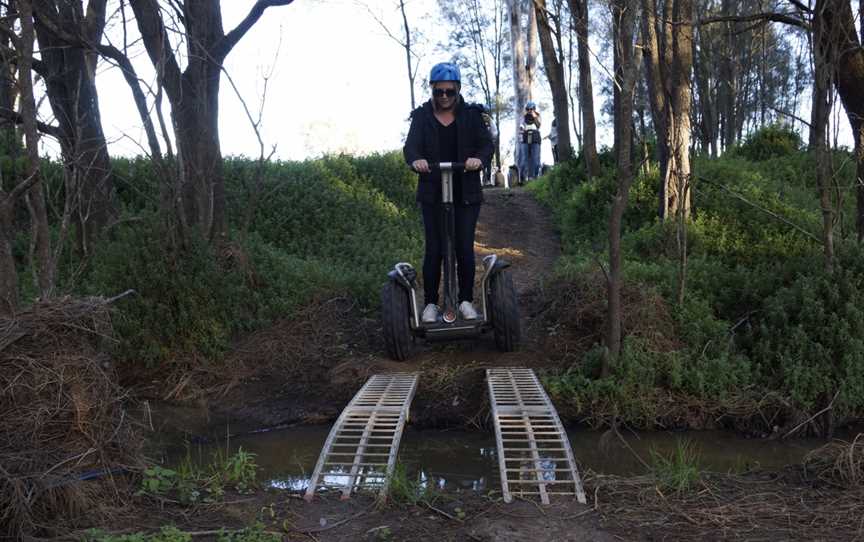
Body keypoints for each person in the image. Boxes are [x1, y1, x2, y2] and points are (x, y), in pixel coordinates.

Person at [403, 62, 494, 323]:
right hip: (432, 191)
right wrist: (416, 160)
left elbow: (486, 145)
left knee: (464, 247)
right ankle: (431, 303)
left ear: (458, 90)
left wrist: (478, 159)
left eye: (449, 92)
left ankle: (465, 300)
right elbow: (410, 148)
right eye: (439, 91)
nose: (444, 97)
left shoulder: (472, 115)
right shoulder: (421, 117)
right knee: (435, 249)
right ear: (432, 90)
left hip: (465, 191)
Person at [519, 101, 542, 181]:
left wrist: (534, 116)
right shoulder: (523, 117)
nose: (529, 110)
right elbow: (521, 126)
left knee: (535, 159)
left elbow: (538, 125)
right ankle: (523, 178)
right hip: (525, 138)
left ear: (534, 109)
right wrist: (521, 128)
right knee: (524, 159)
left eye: (531, 109)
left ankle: (534, 177)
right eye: (528, 109)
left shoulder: (538, 115)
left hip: (535, 138)